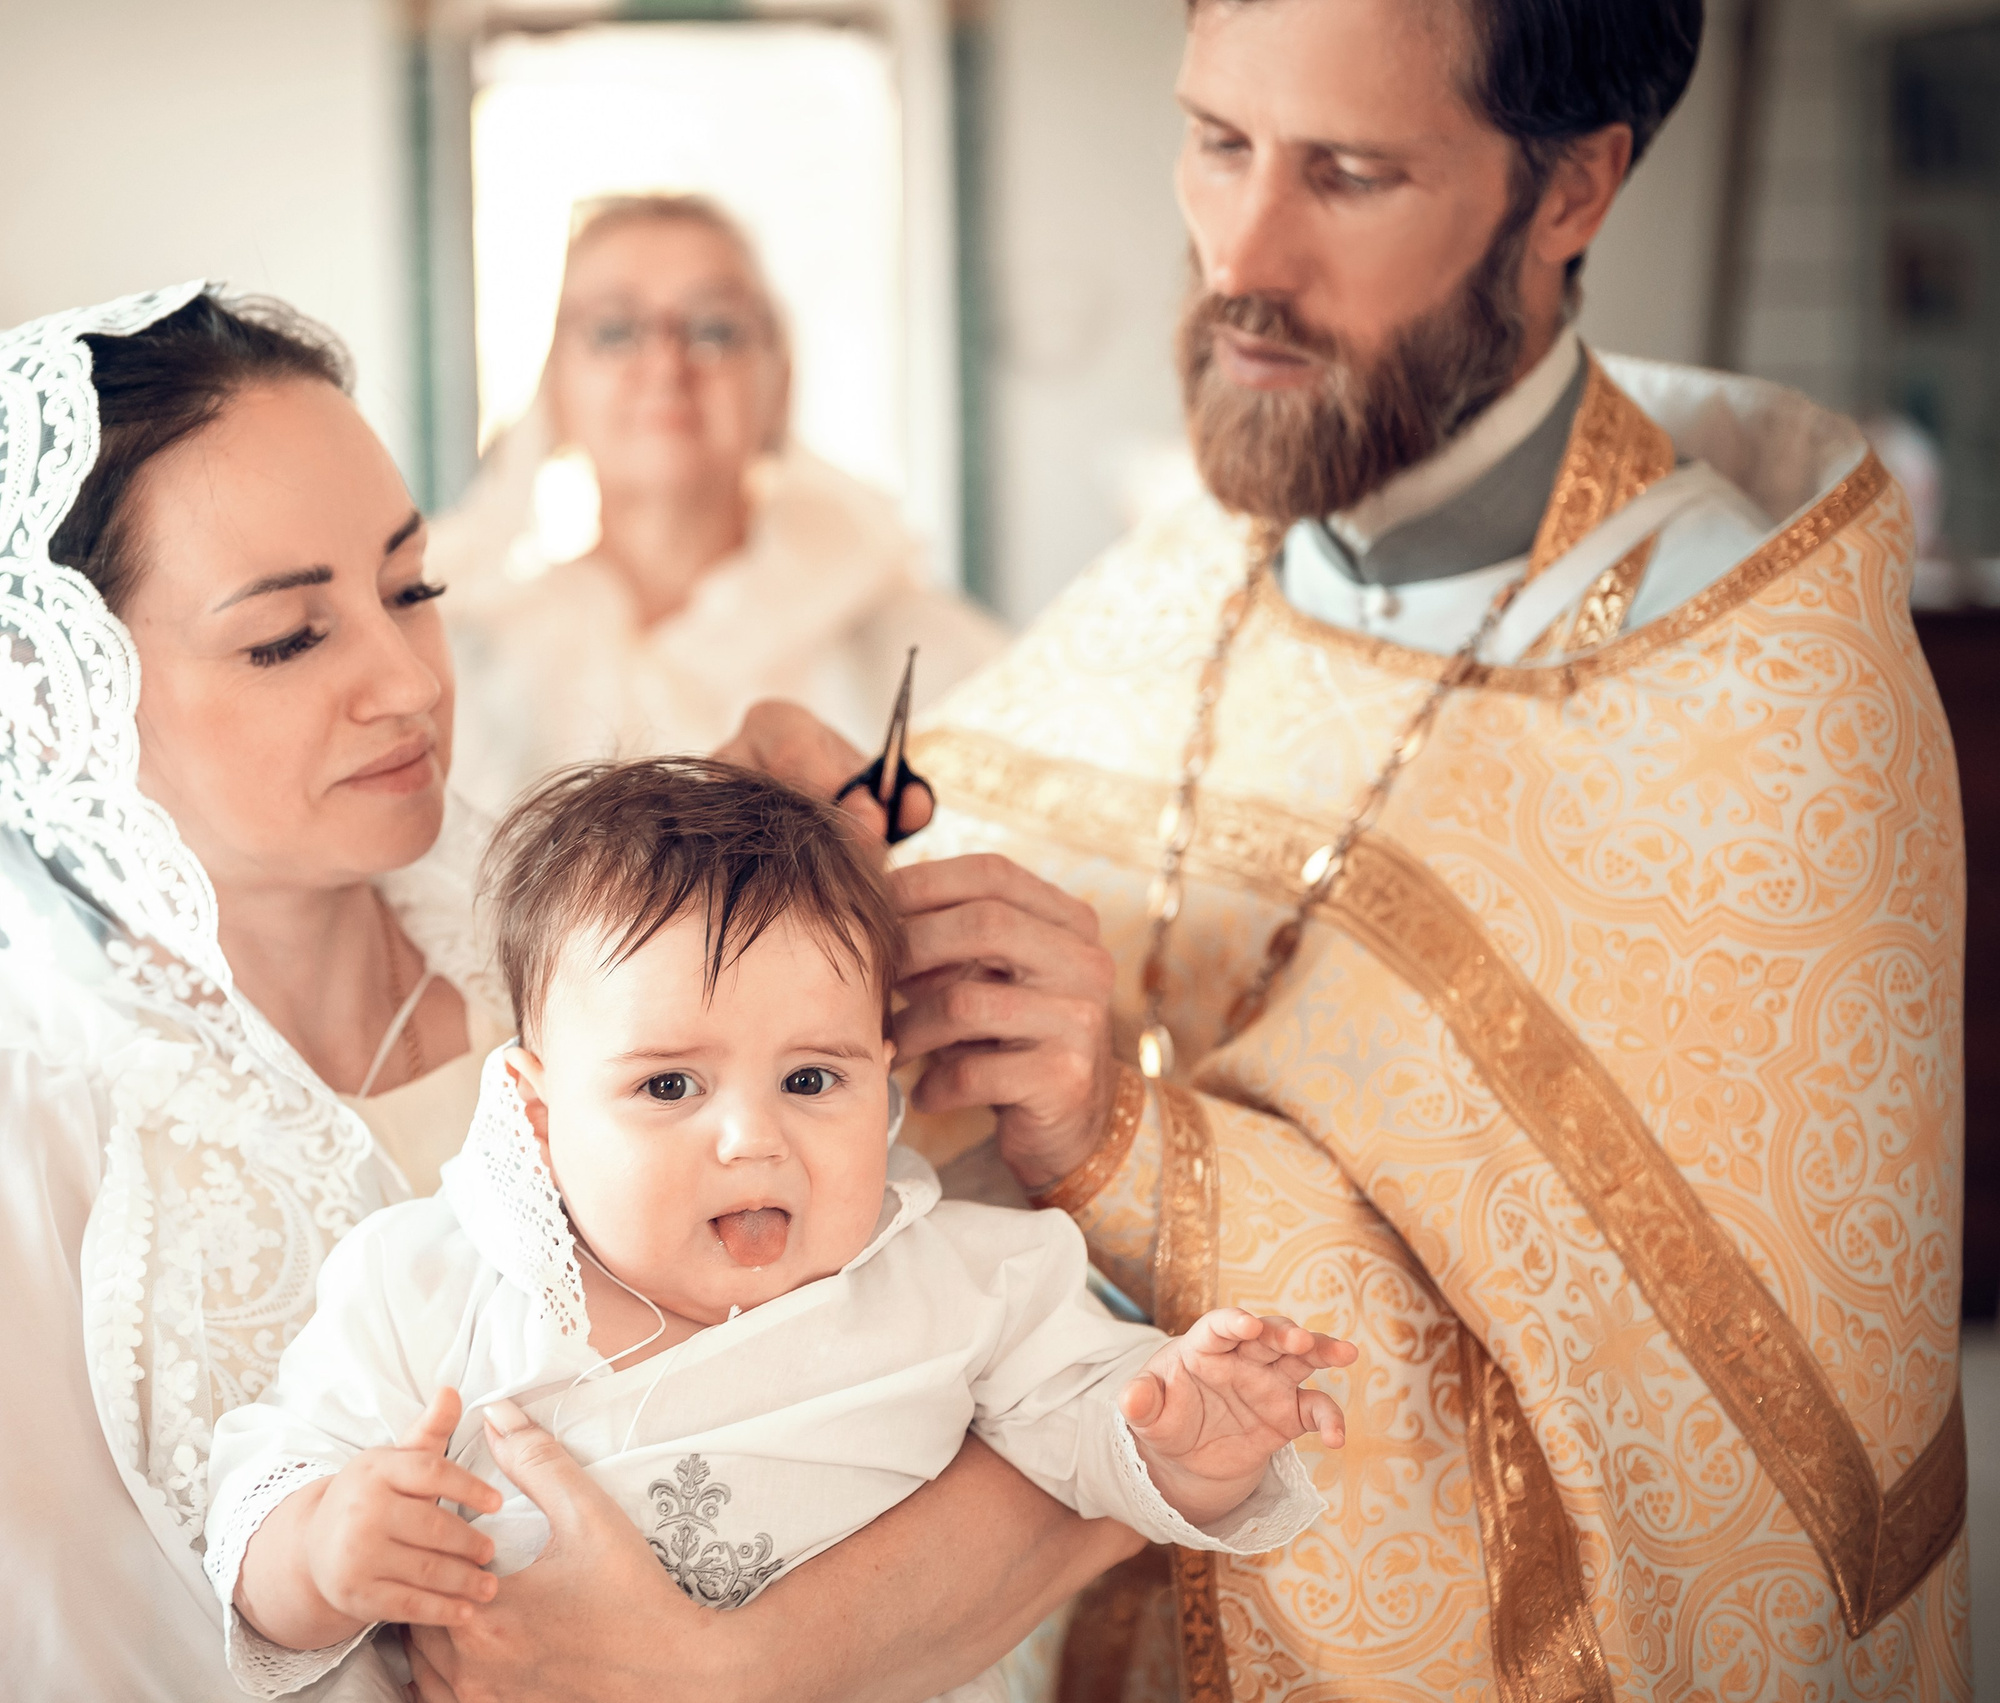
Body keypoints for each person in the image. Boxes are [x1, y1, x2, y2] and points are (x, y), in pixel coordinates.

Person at [728, 0, 1970, 1694]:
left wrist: (1124, 1139)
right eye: (1218, 141)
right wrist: (796, 888)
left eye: (1353, 173)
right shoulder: (1197, 564)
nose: (1239, 251)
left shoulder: (1760, 697)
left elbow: (1703, 1479)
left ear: (1572, 190)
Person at [0, 284, 1144, 1703]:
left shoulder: (589, 963)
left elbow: (1028, 1395)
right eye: (289, 637)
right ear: (59, 690)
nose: (406, 681)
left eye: (412, 589)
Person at [208, 758, 1350, 1701]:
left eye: (812, 1076)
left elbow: (1092, 1430)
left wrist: (1183, 1437)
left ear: (887, 1084)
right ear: (538, 1112)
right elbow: (267, 1480)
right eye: (669, 1088)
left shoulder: (965, 1279)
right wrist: (317, 1548)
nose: (754, 1139)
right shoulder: (428, 1285)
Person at [436, 195, 1003, 815]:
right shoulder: (472, 659)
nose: (664, 364)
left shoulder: (918, 652)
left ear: (780, 383)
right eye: (614, 331)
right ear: (554, 391)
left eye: (714, 328)